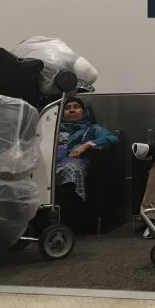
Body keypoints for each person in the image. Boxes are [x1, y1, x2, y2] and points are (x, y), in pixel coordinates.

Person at [55, 97, 117, 228]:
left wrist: (86, 145)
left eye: (76, 107)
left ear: (84, 111)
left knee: (70, 168)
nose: (71, 110)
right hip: (52, 166)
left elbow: (112, 137)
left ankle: (65, 224)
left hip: (77, 164)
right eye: (67, 108)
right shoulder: (54, 130)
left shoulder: (91, 129)